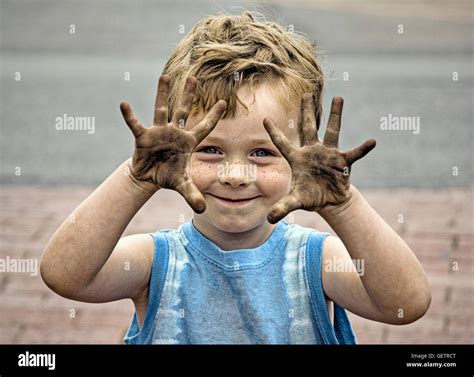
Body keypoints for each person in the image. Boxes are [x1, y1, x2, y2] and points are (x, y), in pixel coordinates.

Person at [40, 11, 431, 344]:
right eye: (209, 149)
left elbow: (406, 304)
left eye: (263, 153)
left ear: (299, 157)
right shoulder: (156, 262)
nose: (235, 175)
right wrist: (136, 178)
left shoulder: (314, 263)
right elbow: (65, 276)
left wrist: (343, 204)